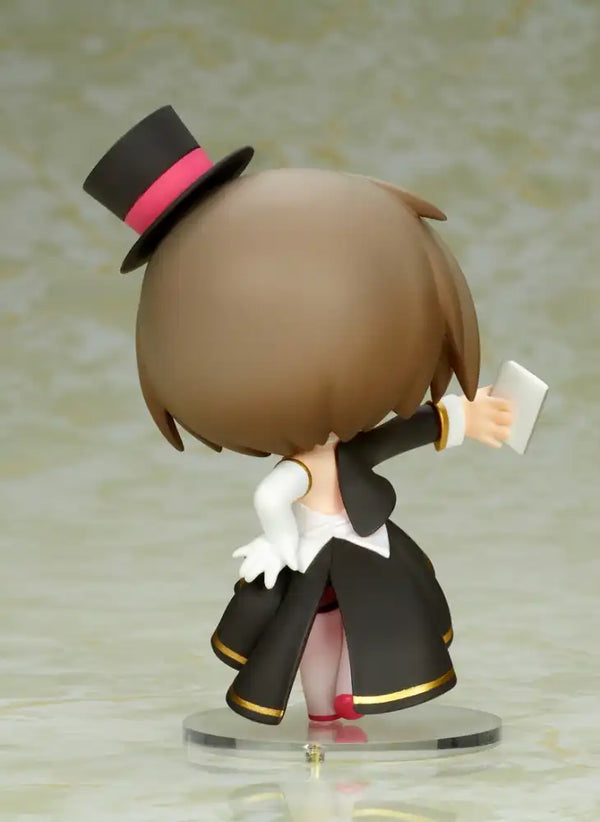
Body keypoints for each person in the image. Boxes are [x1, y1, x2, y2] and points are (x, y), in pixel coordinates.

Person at [83, 106, 512, 726]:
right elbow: (270, 497)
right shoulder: (303, 471)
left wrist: (464, 418)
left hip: (364, 551)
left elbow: (404, 433)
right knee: (314, 632)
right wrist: (281, 541)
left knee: (370, 623)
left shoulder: (346, 451)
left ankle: (349, 696)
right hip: (315, 560)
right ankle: (321, 708)